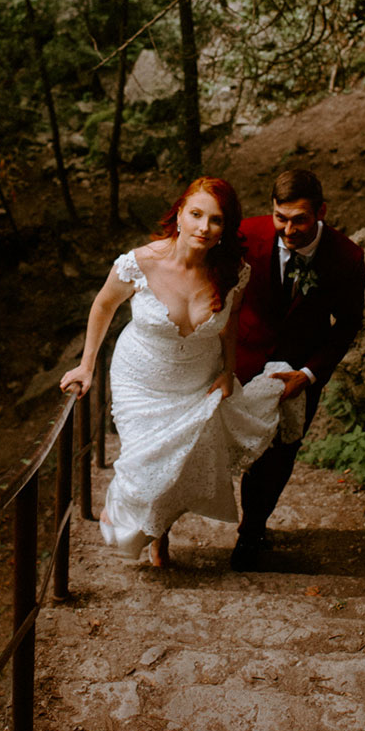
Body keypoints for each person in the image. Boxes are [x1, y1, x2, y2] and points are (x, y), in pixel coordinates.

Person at [60, 177, 289, 568]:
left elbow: (231, 322)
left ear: (226, 228)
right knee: (145, 465)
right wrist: (86, 364)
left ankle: (160, 535)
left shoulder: (233, 272)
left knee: (178, 465)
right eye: (196, 214)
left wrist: (228, 370)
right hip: (140, 378)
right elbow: (103, 306)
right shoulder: (140, 262)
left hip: (195, 380)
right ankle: (133, 523)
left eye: (215, 220)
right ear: (179, 214)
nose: (204, 227)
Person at [231, 168, 365, 570]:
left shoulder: (347, 257)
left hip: (297, 373)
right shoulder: (245, 236)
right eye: (280, 217)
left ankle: (251, 532)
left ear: (321, 212)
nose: (288, 229)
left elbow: (347, 324)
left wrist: (308, 375)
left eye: (299, 219)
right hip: (240, 362)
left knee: (278, 456)